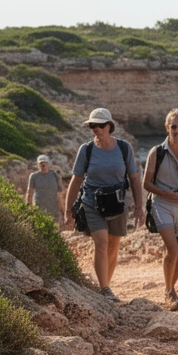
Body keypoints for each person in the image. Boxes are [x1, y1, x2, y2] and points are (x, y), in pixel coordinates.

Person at [63, 108, 144, 302]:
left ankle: (105, 284)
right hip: (92, 202)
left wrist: (139, 208)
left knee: (113, 246)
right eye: (93, 125)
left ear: (109, 126)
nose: (96, 129)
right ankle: (105, 288)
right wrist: (68, 210)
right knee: (101, 243)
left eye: (100, 125)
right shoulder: (87, 149)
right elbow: (76, 180)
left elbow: (134, 179)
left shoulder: (124, 148)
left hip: (116, 203)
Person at [144, 108, 178, 311]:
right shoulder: (156, 152)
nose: (176, 130)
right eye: (173, 126)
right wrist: (166, 194)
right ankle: (169, 291)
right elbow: (146, 183)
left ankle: (172, 287)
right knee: (172, 249)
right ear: (167, 127)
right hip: (163, 204)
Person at [25, 154, 63, 221]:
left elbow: (60, 193)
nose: (43, 166)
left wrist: (62, 209)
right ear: (38, 165)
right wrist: (28, 207)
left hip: (53, 208)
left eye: (45, 163)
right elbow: (30, 192)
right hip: (39, 207)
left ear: (48, 164)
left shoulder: (55, 175)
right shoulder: (34, 176)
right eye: (41, 164)